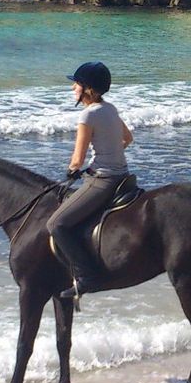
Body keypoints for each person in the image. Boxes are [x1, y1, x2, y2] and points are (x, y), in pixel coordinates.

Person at [50, 61, 133, 299]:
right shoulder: (111, 108)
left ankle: (86, 276)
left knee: (56, 224)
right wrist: (110, 152)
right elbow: (128, 138)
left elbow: (77, 160)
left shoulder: (87, 115)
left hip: (104, 181)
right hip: (122, 176)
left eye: (76, 84)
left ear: (87, 88)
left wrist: (72, 171)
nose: (72, 88)